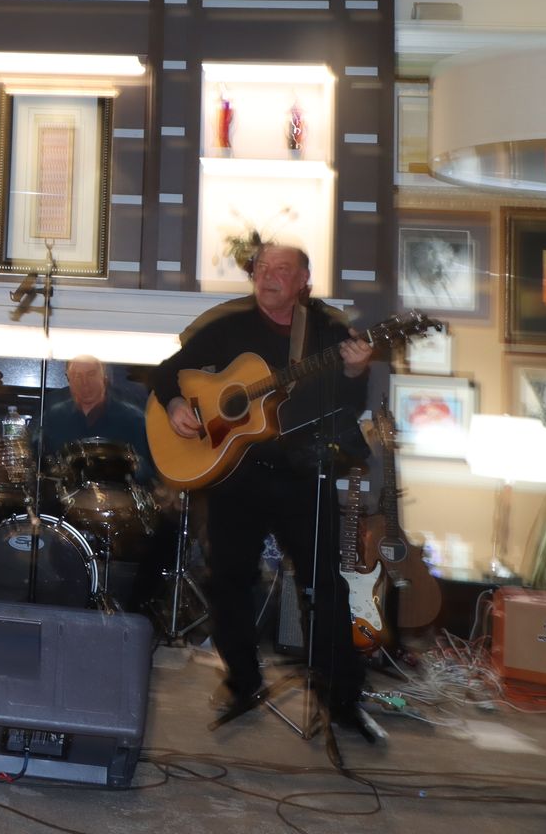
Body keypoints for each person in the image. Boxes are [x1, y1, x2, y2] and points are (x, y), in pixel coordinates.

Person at [151, 242, 384, 742]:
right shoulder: (228, 328)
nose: (268, 275)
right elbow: (166, 372)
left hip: (302, 473)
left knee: (324, 585)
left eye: (282, 269)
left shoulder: (327, 332)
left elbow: (347, 408)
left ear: (304, 279)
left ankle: (341, 700)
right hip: (238, 472)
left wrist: (353, 370)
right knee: (227, 579)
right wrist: (174, 404)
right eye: (261, 267)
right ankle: (243, 682)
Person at [41, 355, 156, 486]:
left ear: (104, 377)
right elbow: (36, 462)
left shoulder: (133, 419)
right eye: (77, 376)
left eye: (91, 374)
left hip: (119, 501)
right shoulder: (52, 417)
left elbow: (150, 473)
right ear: (69, 378)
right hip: (66, 501)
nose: (84, 382)